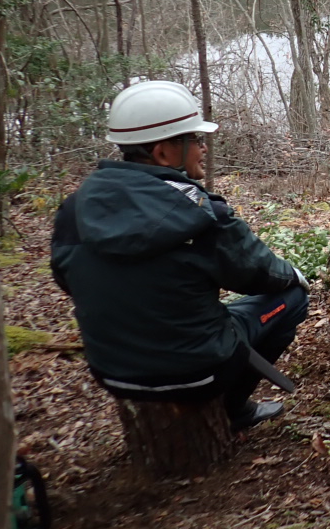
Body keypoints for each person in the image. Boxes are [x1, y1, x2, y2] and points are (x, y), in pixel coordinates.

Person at [51, 80, 309, 431]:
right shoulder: (203, 214)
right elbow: (258, 274)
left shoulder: (74, 209)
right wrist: (293, 275)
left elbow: (66, 279)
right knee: (292, 297)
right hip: (201, 372)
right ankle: (235, 408)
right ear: (162, 153)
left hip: (112, 373)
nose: (203, 148)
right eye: (196, 139)